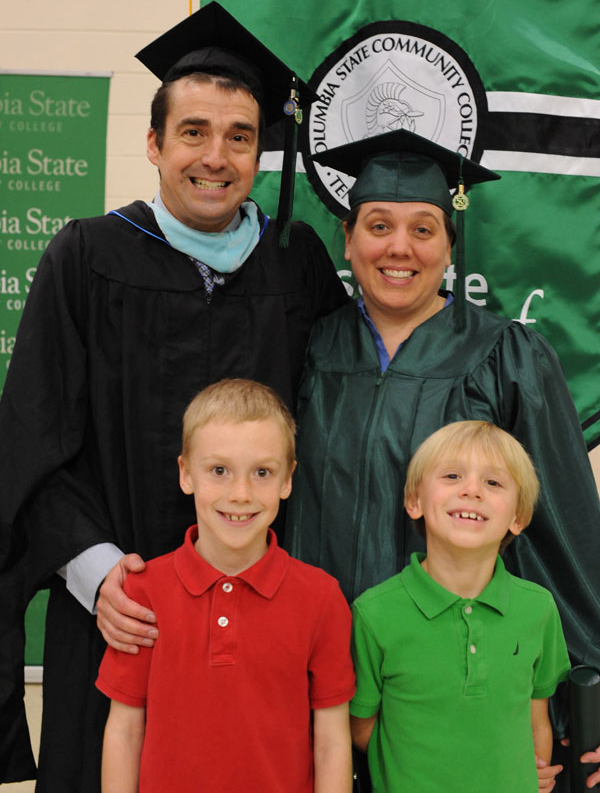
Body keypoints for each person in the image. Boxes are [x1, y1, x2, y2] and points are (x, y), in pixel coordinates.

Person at [0, 2, 347, 788]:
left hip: (260, 618)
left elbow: (332, 431)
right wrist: (96, 575)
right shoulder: (87, 257)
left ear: (262, 151)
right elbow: (32, 434)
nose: (215, 157)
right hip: (118, 618)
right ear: (154, 142)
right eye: (193, 132)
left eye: (240, 136)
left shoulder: (294, 266)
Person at [284, 129, 600, 788]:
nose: (399, 248)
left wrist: (589, 690)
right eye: (378, 225)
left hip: (449, 694)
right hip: (309, 680)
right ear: (347, 239)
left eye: (424, 229)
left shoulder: (507, 358)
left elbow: (563, 534)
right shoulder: (306, 350)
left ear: (451, 247)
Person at [96, 378, 355, 792]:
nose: (240, 493)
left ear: (287, 480)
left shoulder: (321, 597)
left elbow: (331, 742)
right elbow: (125, 731)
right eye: (219, 470)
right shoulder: (143, 592)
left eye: (262, 473)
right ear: (186, 474)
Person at [350, 420, 571, 793]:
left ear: (518, 517)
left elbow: (536, 718)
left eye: (493, 483)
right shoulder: (375, 613)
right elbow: (361, 727)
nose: (471, 491)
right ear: (414, 501)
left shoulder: (539, 608)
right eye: (452, 476)